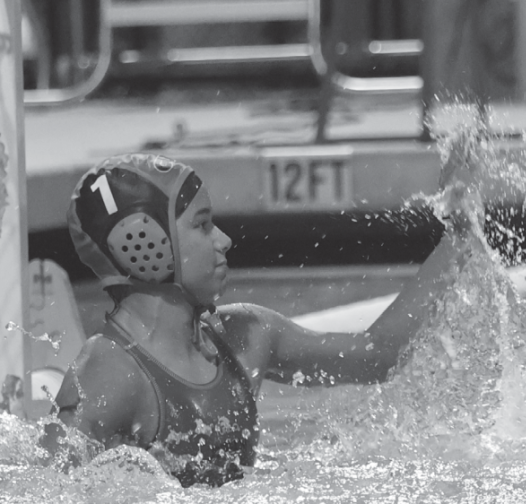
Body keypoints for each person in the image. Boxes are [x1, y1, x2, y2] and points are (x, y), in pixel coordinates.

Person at [39, 149, 481, 487]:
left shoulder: (245, 336)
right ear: (144, 244)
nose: (225, 240)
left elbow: (378, 354)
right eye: (202, 225)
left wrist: (459, 238)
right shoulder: (109, 372)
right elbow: (47, 489)